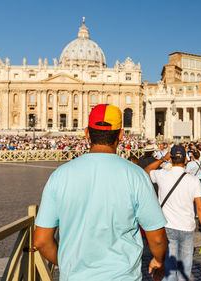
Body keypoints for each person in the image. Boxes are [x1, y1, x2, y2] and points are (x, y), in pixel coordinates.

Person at [34, 104, 168, 281]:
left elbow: (41, 241)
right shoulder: (136, 175)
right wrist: (158, 260)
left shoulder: (59, 176)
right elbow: (157, 238)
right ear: (121, 135)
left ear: (87, 133)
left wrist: (69, 264)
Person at [144, 145, 201, 281]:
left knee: (168, 271)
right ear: (186, 160)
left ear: (171, 159)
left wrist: (163, 159)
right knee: (184, 272)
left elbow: (146, 171)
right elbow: (200, 208)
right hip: (187, 228)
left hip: (167, 228)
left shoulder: (162, 175)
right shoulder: (193, 180)